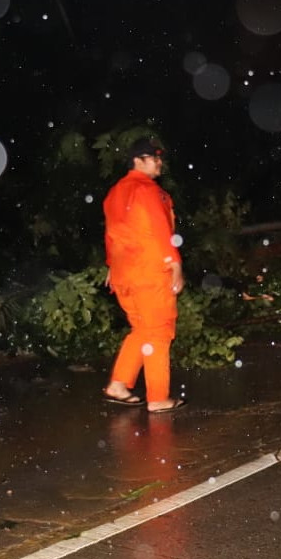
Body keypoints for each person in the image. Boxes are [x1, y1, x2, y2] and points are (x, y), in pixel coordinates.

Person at [102, 136, 186, 412]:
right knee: (159, 333)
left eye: (159, 157)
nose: (159, 162)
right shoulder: (148, 190)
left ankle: (118, 384)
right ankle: (158, 398)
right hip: (150, 273)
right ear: (138, 161)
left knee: (142, 330)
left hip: (125, 276)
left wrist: (111, 267)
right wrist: (173, 263)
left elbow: (113, 234)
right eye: (154, 157)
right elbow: (161, 230)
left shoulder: (115, 192)